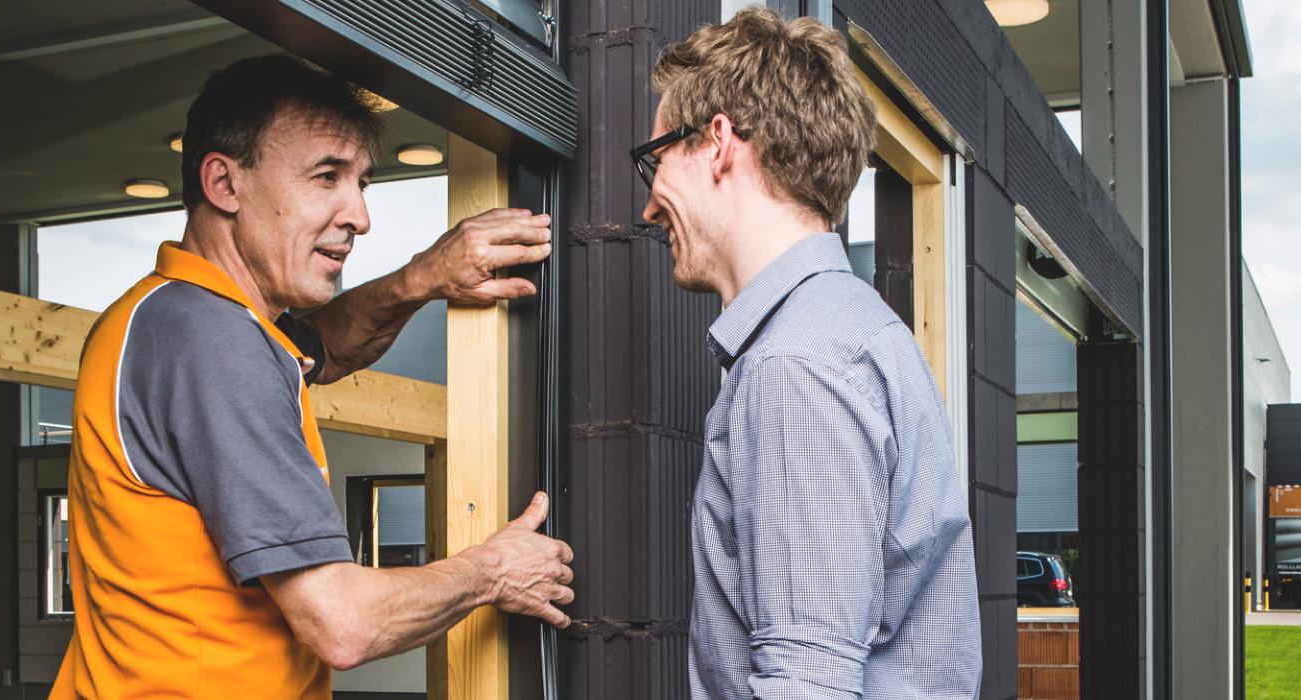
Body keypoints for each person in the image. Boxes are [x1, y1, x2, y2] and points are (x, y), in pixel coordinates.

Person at [51, 55, 573, 699]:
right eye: (326, 176)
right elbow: (342, 623)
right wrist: (491, 571)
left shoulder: (176, 316)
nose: (358, 214)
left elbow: (324, 346)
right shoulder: (208, 340)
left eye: (361, 183)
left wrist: (422, 278)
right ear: (224, 183)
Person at [634, 8, 982, 698]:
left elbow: (807, 687)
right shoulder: (850, 330)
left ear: (719, 142)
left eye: (657, 159)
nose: (648, 205)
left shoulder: (797, 365)